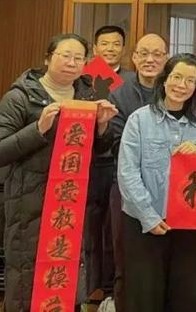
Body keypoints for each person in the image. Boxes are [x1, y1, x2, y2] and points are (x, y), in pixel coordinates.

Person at [0, 33, 117, 311]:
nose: (71, 63)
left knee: (67, 274)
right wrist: (38, 129)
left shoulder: (88, 95)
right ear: (47, 59)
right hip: (29, 205)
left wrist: (103, 127)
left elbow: (100, 150)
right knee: (27, 279)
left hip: (72, 203)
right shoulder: (20, 97)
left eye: (78, 58)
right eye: (64, 56)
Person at [117, 53, 196, 311]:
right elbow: (127, 172)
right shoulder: (139, 119)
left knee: (187, 295)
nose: (181, 85)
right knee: (145, 295)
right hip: (145, 222)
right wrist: (148, 217)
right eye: (176, 77)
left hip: (190, 223)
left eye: (190, 80)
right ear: (164, 80)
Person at [94, 33, 170, 310]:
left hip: (170, 185)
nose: (150, 60)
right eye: (144, 53)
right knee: (126, 253)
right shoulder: (120, 93)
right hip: (127, 184)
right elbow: (115, 143)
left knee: (166, 252)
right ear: (135, 57)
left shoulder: (175, 89)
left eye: (157, 54)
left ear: (166, 58)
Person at [83, 24, 135, 305]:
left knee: (114, 229)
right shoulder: (82, 79)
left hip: (117, 164)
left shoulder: (131, 79)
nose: (111, 49)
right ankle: (91, 286)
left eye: (116, 44)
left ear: (124, 49)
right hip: (89, 163)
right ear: (95, 48)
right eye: (105, 44)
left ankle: (112, 287)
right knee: (90, 225)